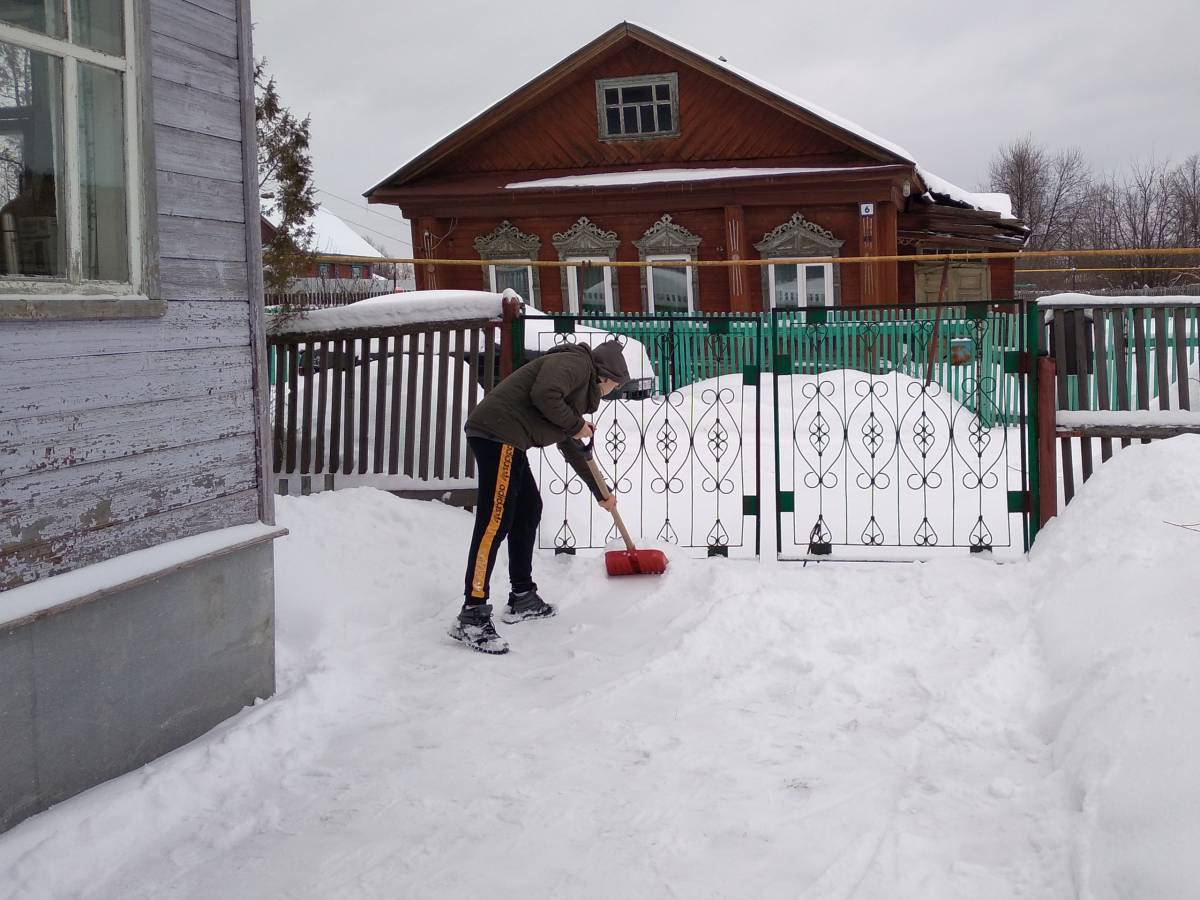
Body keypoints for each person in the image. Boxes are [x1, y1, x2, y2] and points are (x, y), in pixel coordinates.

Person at [450, 340, 630, 654]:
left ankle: (522, 596)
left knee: (529, 509)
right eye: (614, 385)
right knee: (495, 522)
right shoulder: (575, 364)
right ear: (604, 376)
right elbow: (544, 394)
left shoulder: (573, 395)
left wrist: (602, 493)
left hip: (509, 438)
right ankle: (472, 614)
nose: (611, 391)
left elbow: (573, 448)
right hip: (498, 433)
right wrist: (576, 425)